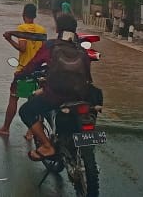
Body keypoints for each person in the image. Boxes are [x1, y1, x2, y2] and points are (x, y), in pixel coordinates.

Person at [14, 13, 93, 160]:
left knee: (25, 111)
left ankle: (47, 146)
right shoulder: (82, 50)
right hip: (79, 96)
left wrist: (20, 74)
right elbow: (88, 75)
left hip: (55, 96)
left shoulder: (51, 46)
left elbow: (33, 65)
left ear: (58, 29)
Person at [0, 4, 47, 136]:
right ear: (35, 15)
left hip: (24, 70)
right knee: (34, 101)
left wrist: (9, 40)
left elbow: (22, 48)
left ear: (23, 15)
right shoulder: (42, 30)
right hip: (39, 70)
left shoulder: (22, 28)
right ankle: (31, 132)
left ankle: (5, 128)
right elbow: (44, 50)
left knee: (13, 98)